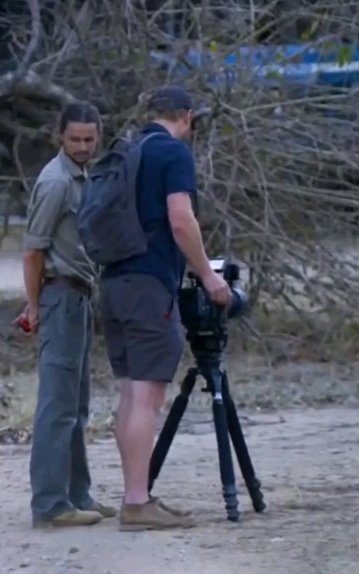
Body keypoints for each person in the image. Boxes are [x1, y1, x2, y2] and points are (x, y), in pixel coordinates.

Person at [98, 85, 230, 531]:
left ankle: (138, 495)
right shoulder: (173, 154)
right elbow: (180, 219)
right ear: (187, 117)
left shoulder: (129, 152)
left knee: (132, 395)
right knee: (149, 396)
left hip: (114, 280)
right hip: (149, 284)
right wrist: (208, 277)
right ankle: (136, 503)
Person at [17, 101, 114, 529]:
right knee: (57, 405)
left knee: (76, 404)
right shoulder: (56, 182)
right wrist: (35, 304)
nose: (82, 146)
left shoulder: (84, 177)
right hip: (59, 295)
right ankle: (50, 504)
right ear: (60, 136)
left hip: (79, 297)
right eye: (74, 139)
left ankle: (77, 494)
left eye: (89, 139)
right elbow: (33, 249)